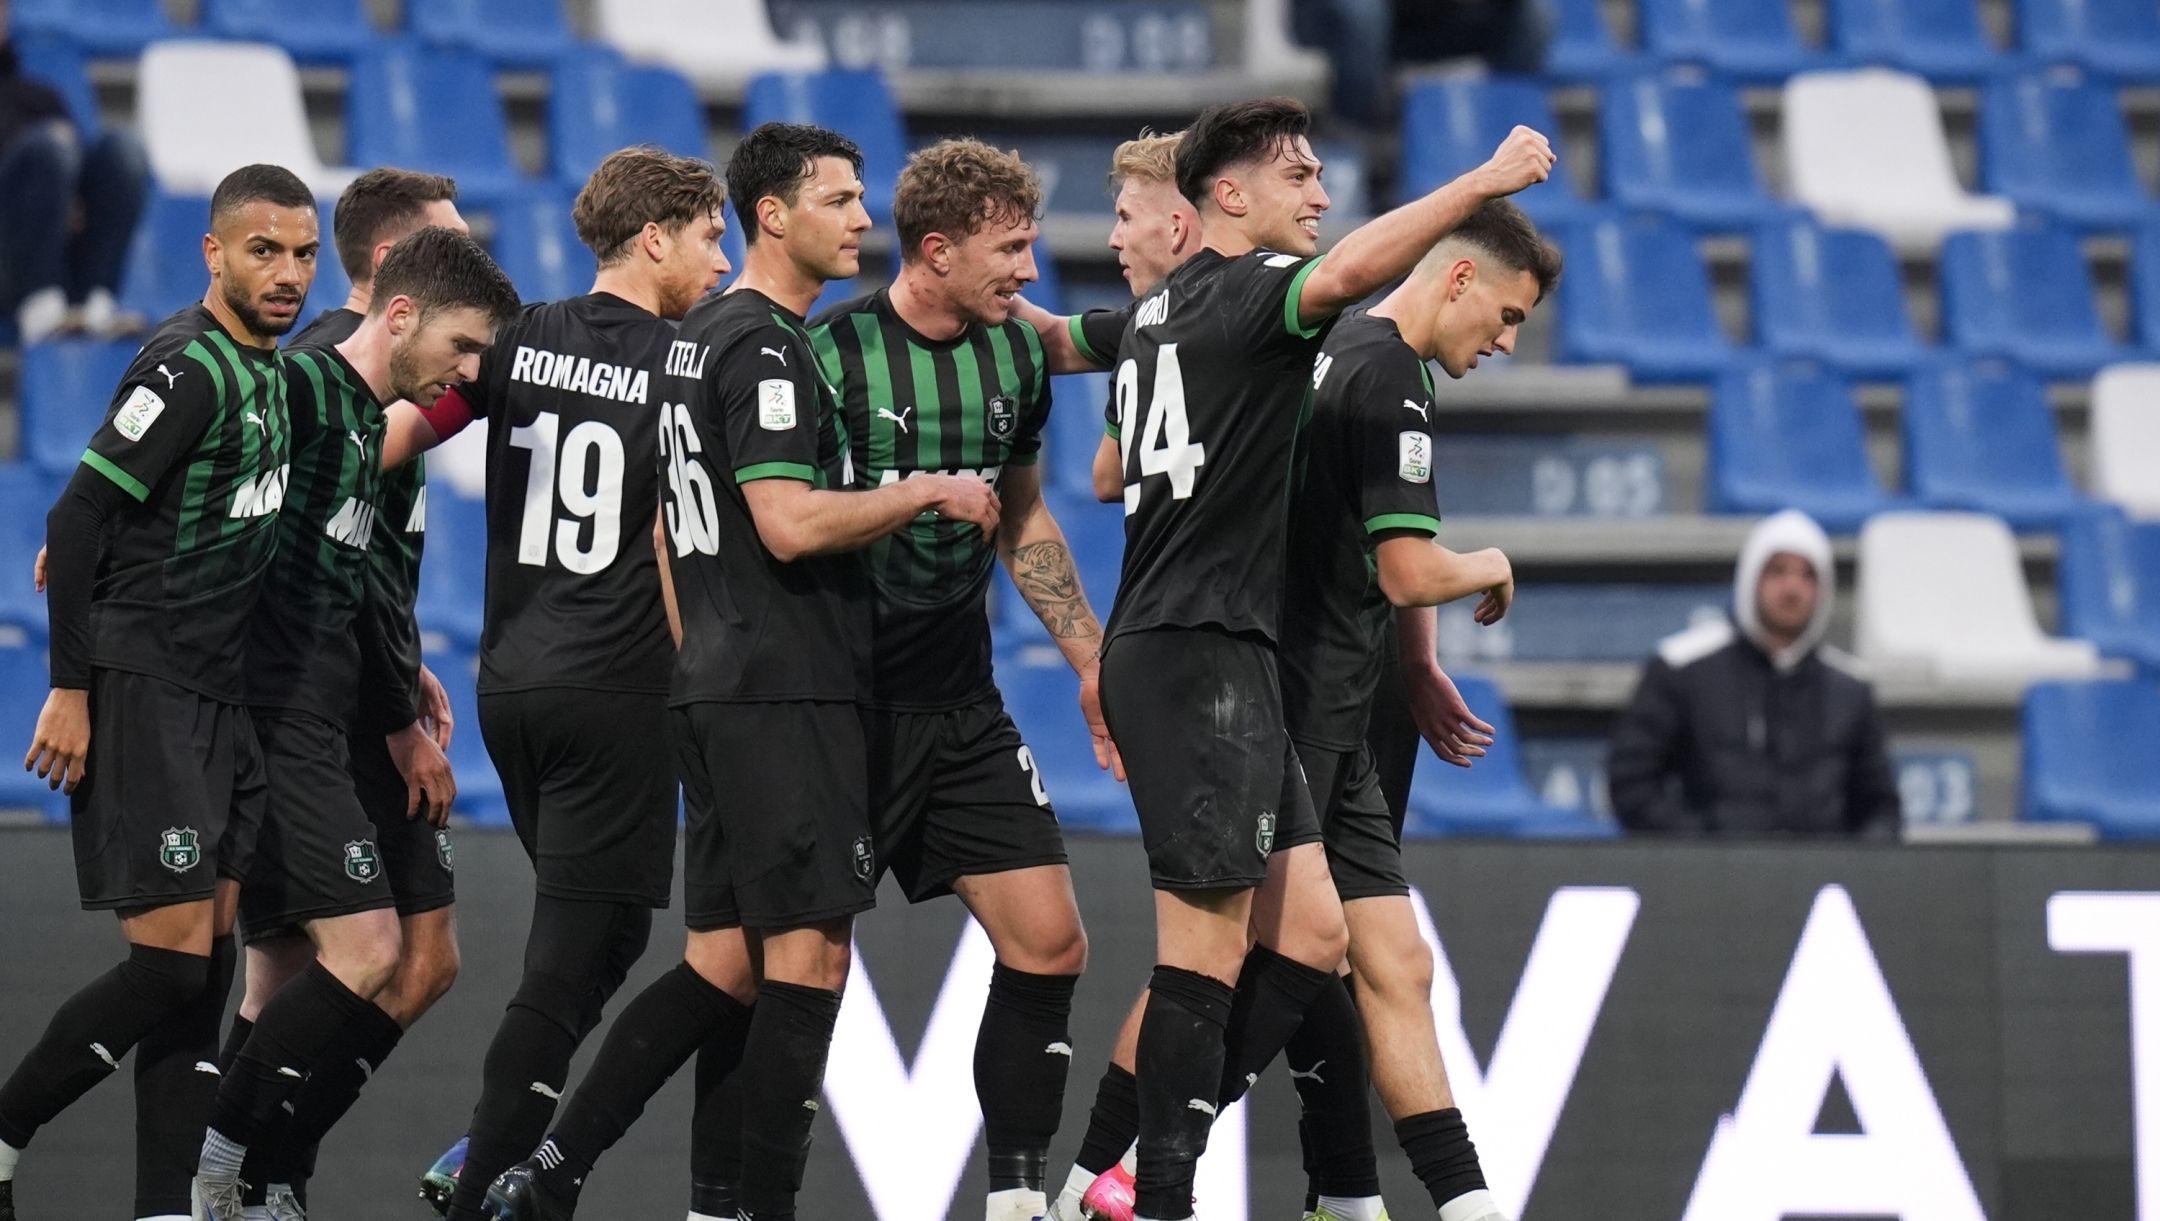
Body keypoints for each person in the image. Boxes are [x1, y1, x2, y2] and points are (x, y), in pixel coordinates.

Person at [1021, 98, 1554, 1221]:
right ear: (1228, 196)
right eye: (1299, 176)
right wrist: (1480, 181)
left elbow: (1075, 381)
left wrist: (952, 304)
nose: (1320, 195)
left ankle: (1207, 1189)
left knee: (1315, 939)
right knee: (1208, 955)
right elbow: (1354, 268)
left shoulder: (1161, 316)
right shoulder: (1286, 315)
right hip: (1210, 653)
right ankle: (1125, 1191)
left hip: (1227, 653)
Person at [480, 121, 1000, 1221]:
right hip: (784, 690)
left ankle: (549, 1175)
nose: (866, 219)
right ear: (777, 214)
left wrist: (702, 658)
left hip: (712, 686)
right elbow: (787, 522)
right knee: (808, 969)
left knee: (725, 964)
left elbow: (673, 539)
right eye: (844, 199)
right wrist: (927, 489)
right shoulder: (762, 347)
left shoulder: (688, 339)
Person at [374, 147, 728, 1221]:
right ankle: (489, 1185)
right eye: (711, 235)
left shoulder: (516, 342)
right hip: (619, 688)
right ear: (656, 235)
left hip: (513, 686)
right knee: (571, 961)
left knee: (606, 938)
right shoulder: (687, 363)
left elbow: (391, 435)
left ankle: (492, 1141)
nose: (723, 261)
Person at [189, 223, 522, 1221]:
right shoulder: (313, 395)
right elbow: (179, 485)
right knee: (354, 959)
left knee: (356, 963)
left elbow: (351, 571)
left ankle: (256, 1175)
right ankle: (225, 1170)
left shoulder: (374, 411)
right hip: (299, 724)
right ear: (395, 278)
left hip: (347, 699)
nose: (470, 369)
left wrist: (400, 667)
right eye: (464, 345)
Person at [0, 163, 310, 1221]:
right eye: (263, 250)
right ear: (214, 252)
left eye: (304, 253)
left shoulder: (268, 370)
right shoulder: (185, 367)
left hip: (218, 698)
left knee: (208, 962)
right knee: (172, 969)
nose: (286, 273)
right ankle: (3, 1130)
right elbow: (78, 517)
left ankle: (164, 1209)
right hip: (147, 686)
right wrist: (70, 689)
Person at [809, 136, 1105, 1221]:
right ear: (934, 250)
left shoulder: (1017, 359)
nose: (1029, 272)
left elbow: (1022, 513)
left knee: (1051, 939)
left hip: (960, 700)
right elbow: (780, 526)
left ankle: (1017, 1201)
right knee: (795, 979)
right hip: (837, 705)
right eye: (1011, 249)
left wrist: (1090, 660)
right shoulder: (828, 353)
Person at [1279, 198, 1561, 1221]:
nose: (1508, 340)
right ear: (1457, 279)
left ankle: (1449, 1203)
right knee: (1254, 970)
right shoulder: (1391, 376)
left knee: (1384, 960)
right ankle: (1114, 1168)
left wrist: (1418, 667)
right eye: (1510, 314)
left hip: (1343, 697)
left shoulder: (1337, 344)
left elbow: (1371, 551)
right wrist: (1488, 562)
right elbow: (1407, 567)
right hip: (1305, 707)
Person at [1607, 508, 1902, 837]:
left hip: (1821, 880)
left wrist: (1850, 863)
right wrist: (1700, 847)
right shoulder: (1683, 668)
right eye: (1778, 571)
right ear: (1751, 578)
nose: (1793, 588)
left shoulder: (1850, 689)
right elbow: (1632, 785)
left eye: (1808, 575)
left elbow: (1881, 806)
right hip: (1713, 879)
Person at [0, 0, 146, 341]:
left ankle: (94, 302)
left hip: (62, 241)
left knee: (123, 152)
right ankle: (39, 302)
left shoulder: (40, 97)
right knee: (49, 148)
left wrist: (64, 196)